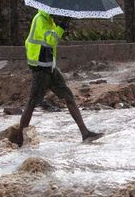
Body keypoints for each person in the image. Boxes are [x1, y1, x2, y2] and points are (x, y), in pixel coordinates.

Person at [9, 9, 104, 147]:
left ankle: (85, 133)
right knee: (32, 102)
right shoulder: (40, 20)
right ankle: (19, 139)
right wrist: (62, 26)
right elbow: (51, 40)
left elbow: (53, 40)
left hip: (50, 67)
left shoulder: (49, 20)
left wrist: (62, 26)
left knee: (68, 97)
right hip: (40, 67)